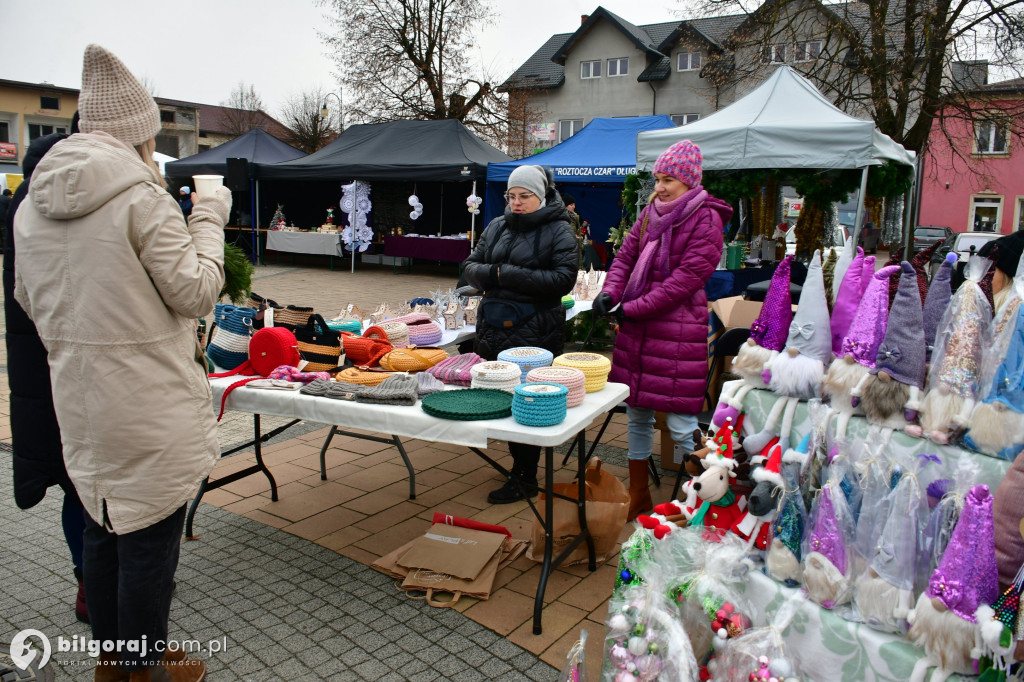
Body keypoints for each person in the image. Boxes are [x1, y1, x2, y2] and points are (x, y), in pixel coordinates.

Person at [13, 44, 229, 681]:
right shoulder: (142, 199)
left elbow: (28, 300)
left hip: (79, 404)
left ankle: (115, 666)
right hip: (147, 405)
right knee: (149, 551)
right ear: (140, 133)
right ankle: (145, 674)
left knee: (104, 535)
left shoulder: (32, 204)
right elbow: (195, 292)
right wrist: (210, 214)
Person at [592, 139, 732, 520]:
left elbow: (685, 281)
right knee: (635, 413)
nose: (660, 187)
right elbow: (625, 257)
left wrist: (630, 308)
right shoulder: (650, 213)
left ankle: (699, 503)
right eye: (658, 178)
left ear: (689, 181)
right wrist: (610, 292)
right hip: (638, 333)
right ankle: (638, 494)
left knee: (682, 423)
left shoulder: (706, 219)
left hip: (676, 333)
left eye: (668, 179)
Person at [4, 121, 91, 624]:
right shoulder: (67, 196)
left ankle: (89, 583)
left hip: (39, 364)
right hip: (68, 363)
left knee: (71, 477)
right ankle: (98, 587)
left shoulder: (28, 197)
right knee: (85, 483)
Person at [463, 165, 578, 503]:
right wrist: (493, 273)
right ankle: (517, 465)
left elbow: (562, 281)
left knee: (528, 402)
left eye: (524, 196)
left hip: (536, 331)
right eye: (511, 196)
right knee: (497, 394)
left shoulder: (559, 230)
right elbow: (470, 267)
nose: (516, 202)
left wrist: (504, 273)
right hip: (493, 326)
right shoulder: (497, 225)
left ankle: (526, 475)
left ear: (540, 196)